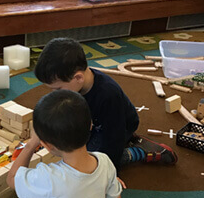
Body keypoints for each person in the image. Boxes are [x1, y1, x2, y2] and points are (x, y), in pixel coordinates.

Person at [34, 37, 177, 171]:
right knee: (73, 149)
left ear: (78, 78)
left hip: (119, 126)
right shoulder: (75, 85)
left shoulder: (108, 94)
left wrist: (110, 173)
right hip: (95, 124)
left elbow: (113, 138)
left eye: (57, 89)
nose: (54, 93)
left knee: (90, 163)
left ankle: (137, 151)